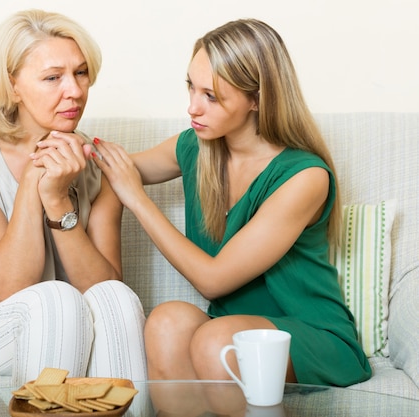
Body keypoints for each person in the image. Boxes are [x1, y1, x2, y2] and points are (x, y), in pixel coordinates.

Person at [90, 18, 371, 388]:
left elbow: (213, 280)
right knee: (165, 322)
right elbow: (111, 167)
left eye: (211, 96)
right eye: (191, 87)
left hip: (312, 336)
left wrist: (138, 200)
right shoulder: (195, 147)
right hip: (225, 332)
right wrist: (20, 135)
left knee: (220, 342)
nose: (193, 107)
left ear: (257, 99)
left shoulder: (304, 177)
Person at [0, 9, 146, 387]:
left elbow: (102, 287)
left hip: (74, 324)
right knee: (57, 300)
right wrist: (35, 177)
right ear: (12, 84)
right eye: (53, 78)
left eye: (81, 73)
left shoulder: (101, 165)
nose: (76, 91)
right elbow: (11, 286)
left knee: (116, 299)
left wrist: (58, 202)